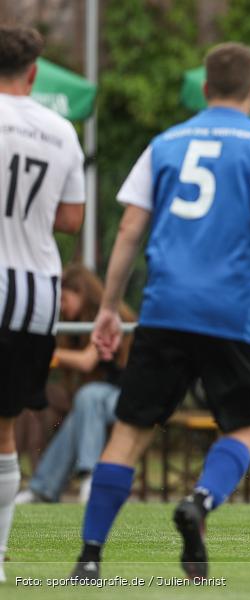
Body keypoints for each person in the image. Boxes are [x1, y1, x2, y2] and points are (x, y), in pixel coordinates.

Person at [71, 43, 250, 581]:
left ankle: (90, 557)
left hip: (164, 307)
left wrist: (107, 307)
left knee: (130, 430)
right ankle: (199, 501)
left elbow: (128, 230)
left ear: (204, 90)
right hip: (227, 310)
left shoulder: (165, 142)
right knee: (243, 428)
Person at [0, 25, 85, 583]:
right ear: (33, 72)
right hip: (32, 294)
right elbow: (71, 220)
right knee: (4, 429)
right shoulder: (60, 131)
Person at [15, 265, 135, 505]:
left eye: (65, 299)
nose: (61, 306)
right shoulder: (76, 327)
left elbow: (86, 361)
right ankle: (43, 489)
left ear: (82, 292)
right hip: (103, 399)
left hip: (134, 396)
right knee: (80, 404)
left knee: (88, 396)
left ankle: (90, 476)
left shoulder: (112, 316)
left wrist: (50, 354)